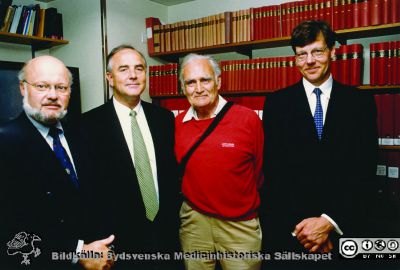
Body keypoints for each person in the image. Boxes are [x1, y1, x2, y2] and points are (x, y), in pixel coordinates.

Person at [261, 20, 378, 267]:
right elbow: (275, 173)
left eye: (317, 51)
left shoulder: (360, 103)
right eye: (301, 54)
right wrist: (307, 230)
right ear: (294, 59)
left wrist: (328, 222)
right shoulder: (276, 104)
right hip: (294, 234)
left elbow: (365, 171)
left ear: (333, 51)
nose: (309, 61)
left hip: (344, 231)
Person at [0, 55, 114, 270]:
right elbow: (8, 228)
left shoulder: (83, 134)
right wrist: (77, 253)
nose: (53, 95)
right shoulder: (5, 143)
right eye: (42, 86)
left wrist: (104, 248)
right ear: (23, 88)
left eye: (61, 87)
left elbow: (96, 199)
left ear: (70, 92)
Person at [82, 45, 180, 269]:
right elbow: (89, 191)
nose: (133, 75)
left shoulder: (164, 119)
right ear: (110, 77)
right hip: (118, 242)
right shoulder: (87, 125)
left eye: (139, 68)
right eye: (124, 69)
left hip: (166, 236)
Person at [175, 53, 264, 270]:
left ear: (218, 81)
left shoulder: (247, 119)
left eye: (205, 80)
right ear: (183, 88)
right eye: (190, 82)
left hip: (239, 226)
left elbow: (260, 172)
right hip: (194, 224)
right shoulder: (177, 124)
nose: (198, 88)